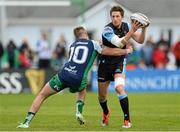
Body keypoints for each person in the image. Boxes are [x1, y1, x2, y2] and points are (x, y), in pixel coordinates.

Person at [17, 26, 136, 129]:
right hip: (78, 78)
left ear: (76, 36)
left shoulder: (72, 45)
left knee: (42, 95)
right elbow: (109, 52)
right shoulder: (93, 43)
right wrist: (126, 51)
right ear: (85, 33)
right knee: (82, 88)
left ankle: (26, 122)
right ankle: (79, 112)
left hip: (63, 75)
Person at [97, 5, 148, 128]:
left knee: (119, 88)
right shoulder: (107, 30)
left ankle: (127, 120)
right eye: (113, 16)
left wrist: (144, 29)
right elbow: (119, 44)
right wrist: (132, 31)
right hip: (104, 64)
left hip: (119, 62)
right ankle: (106, 111)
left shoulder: (127, 26)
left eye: (117, 16)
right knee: (102, 97)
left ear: (122, 17)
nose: (115, 18)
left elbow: (140, 41)